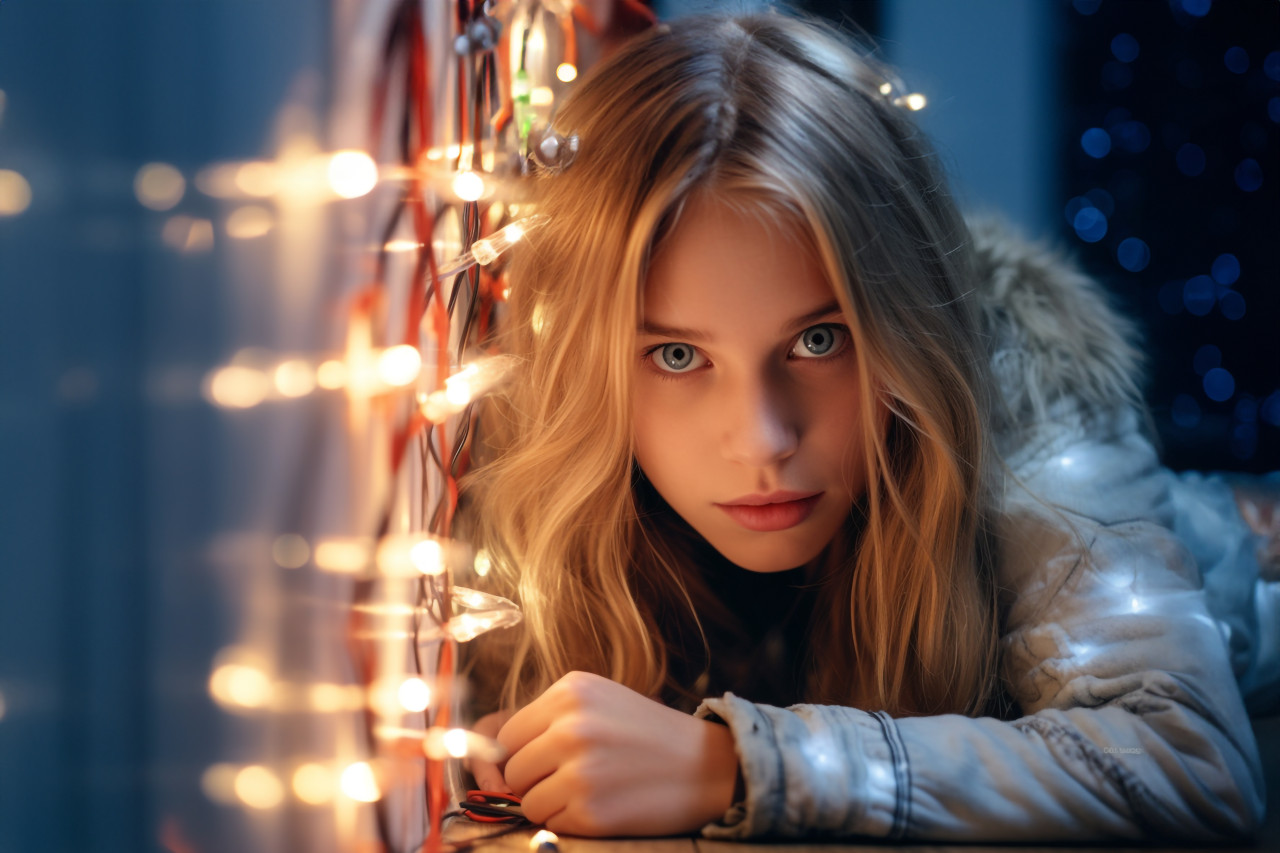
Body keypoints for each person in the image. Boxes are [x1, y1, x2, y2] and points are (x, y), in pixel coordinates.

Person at [458, 11, 1273, 841]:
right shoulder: (524, 457)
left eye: (820, 340)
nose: (764, 439)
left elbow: (1189, 763)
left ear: (903, 327)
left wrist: (736, 764)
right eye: (675, 355)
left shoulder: (1026, 400)